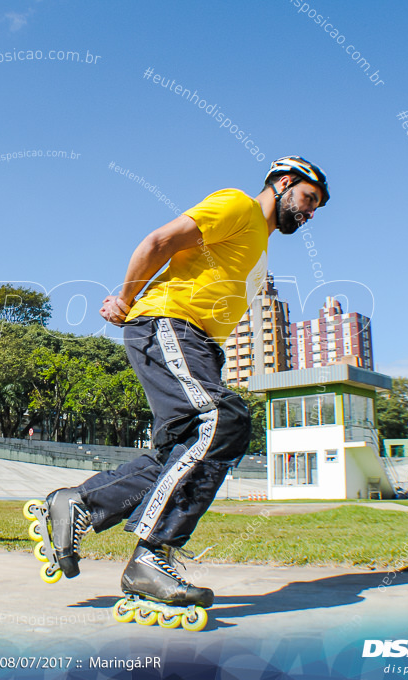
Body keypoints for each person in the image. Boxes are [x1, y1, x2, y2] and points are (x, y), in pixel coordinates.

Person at [42, 156, 330, 609]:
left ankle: (80, 503)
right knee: (225, 418)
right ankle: (151, 558)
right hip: (171, 324)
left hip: (198, 345)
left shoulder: (259, 245)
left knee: (180, 451)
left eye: (316, 208)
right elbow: (159, 241)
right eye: (309, 199)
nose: (310, 212)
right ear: (285, 181)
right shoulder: (239, 207)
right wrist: (125, 298)